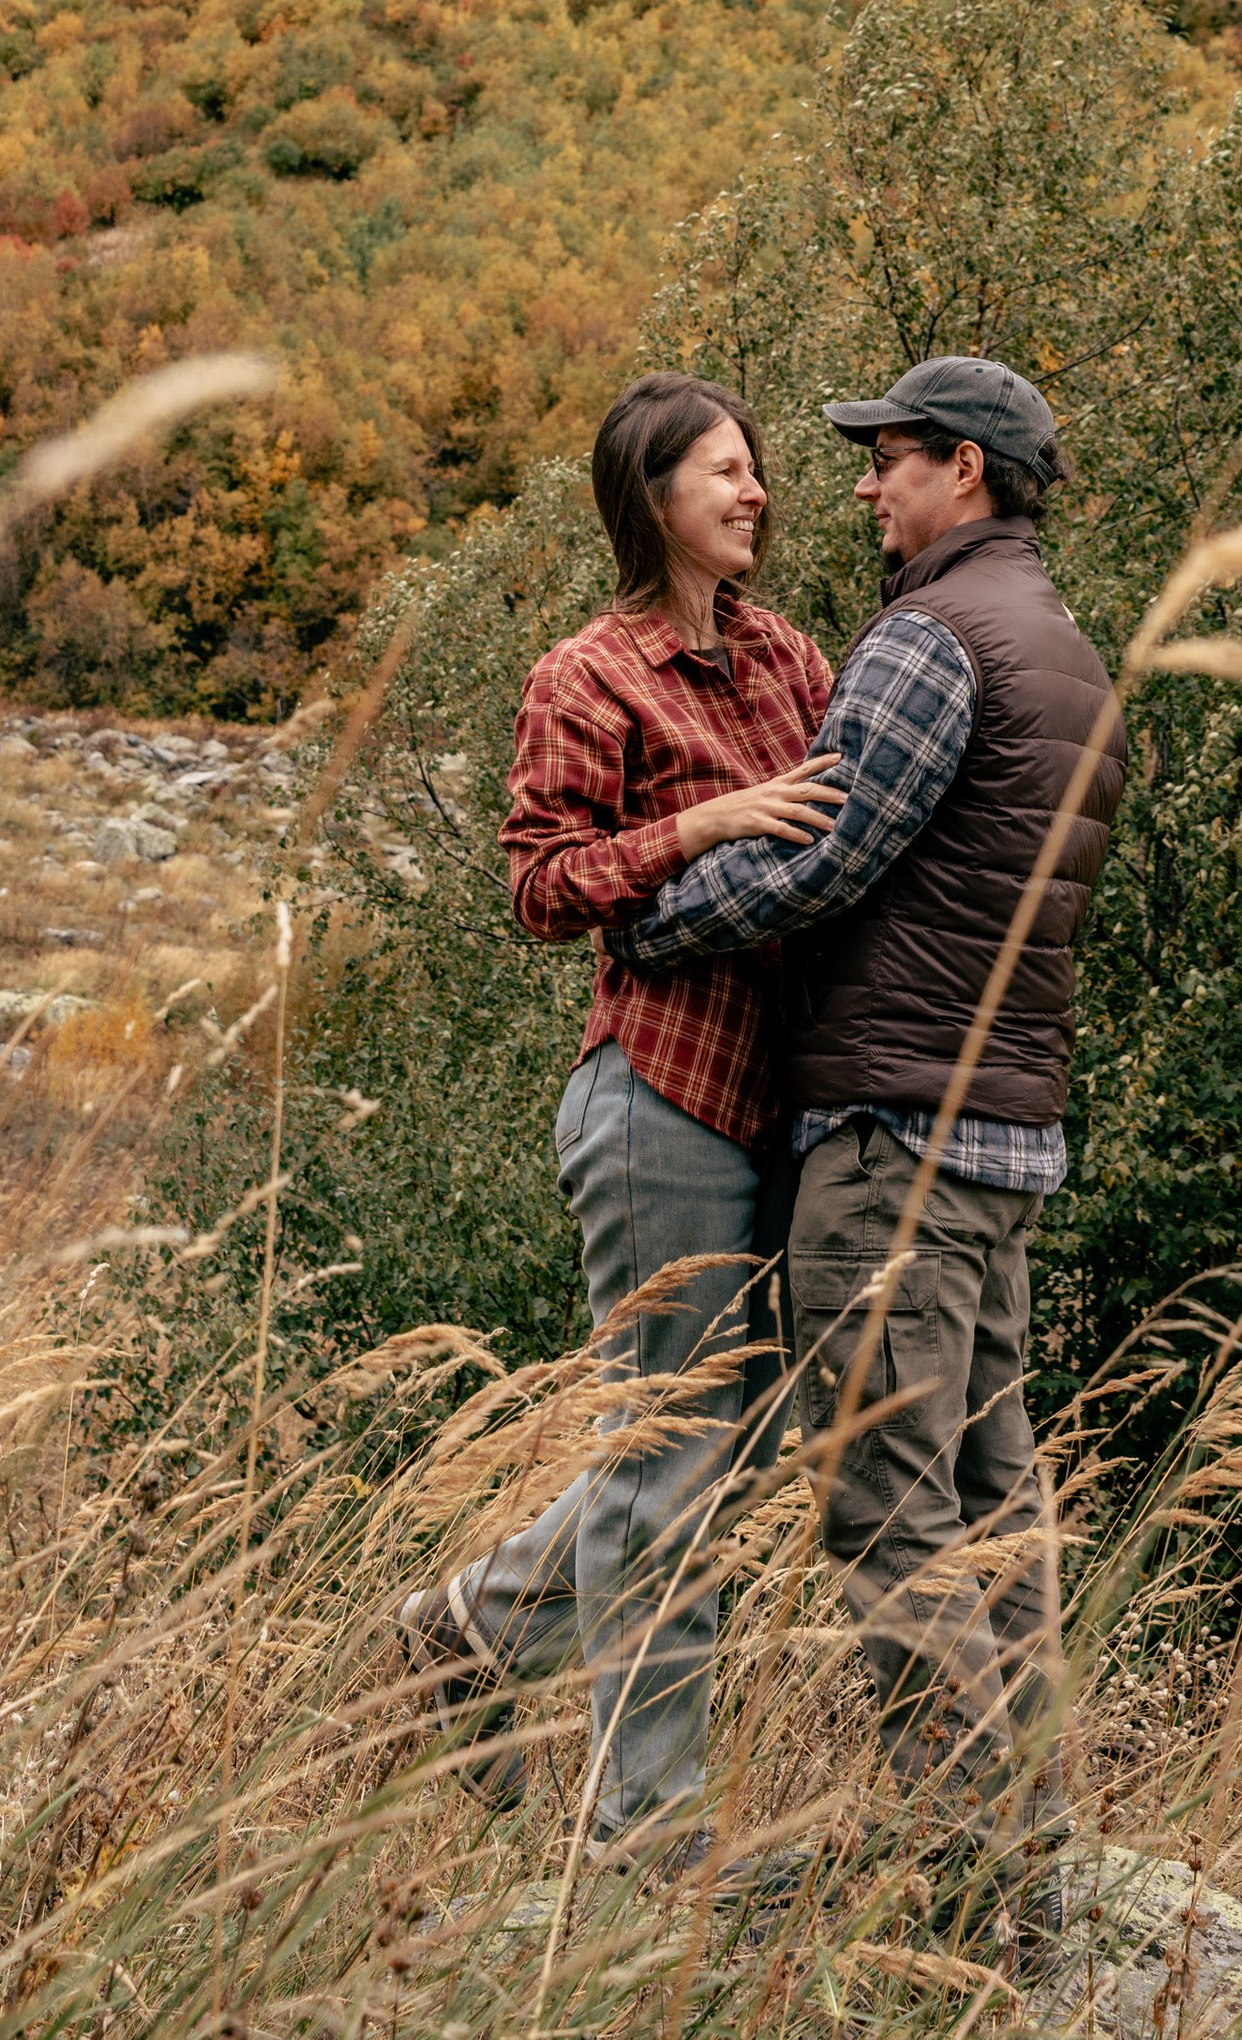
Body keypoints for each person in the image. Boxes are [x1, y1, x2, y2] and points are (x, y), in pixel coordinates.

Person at [609, 354, 1124, 1931]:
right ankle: (1038, 1837)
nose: (861, 483)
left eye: (888, 456)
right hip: (1005, 1143)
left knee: (885, 1502)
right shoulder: (1066, 648)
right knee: (992, 1502)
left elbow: (824, 852)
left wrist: (651, 915)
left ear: (963, 469)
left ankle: (977, 1868)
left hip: (897, 1138)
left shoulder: (931, 636)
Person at [395, 371, 842, 1858]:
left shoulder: (789, 658)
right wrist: (700, 823)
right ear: (653, 499)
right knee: (668, 1458)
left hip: (784, 1101)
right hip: (661, 1094)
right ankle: (648, 1829)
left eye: (756, 467)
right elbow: (540, 883)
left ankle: (478, 1623)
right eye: (724, 471)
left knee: (742, 1439)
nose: (755, 490)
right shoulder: (587, 674)